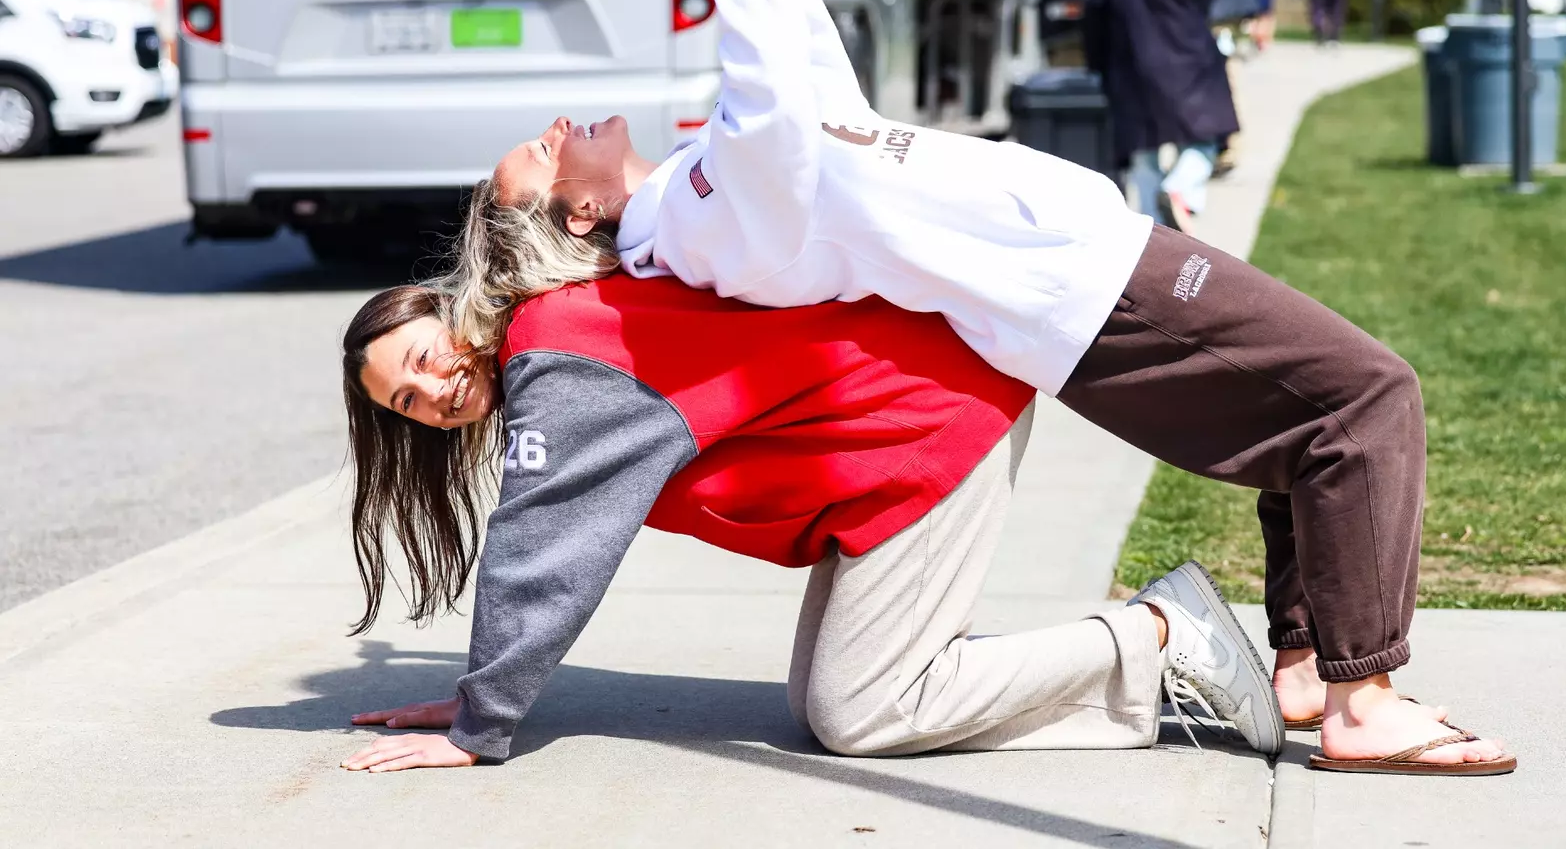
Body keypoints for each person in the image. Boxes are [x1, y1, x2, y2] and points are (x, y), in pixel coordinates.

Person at [455, 0, 1514, 776]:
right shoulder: (705, 223)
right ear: (577, 219)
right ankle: (1362, 698)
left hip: (1085, 272)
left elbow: (810, 61)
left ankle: (1304, 668)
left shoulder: (695, 183)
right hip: (1093, 287)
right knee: (1369, 399)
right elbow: (772, 93)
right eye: (538, 161)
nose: (554, 129)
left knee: (1300, 418)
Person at [337, 282, 1280, 771]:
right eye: (409, 406)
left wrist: (478, 725)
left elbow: (541, 555)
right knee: (820, 707)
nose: (435, 394)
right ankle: (1160, 677)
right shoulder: (547, 344)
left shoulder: (557, 368)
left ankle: (1155, 636)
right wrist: (476, 696)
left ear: (454, 315)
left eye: (424, 360)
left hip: (918, 423)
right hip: (887, 440)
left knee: (863, 713)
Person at [1083, 0, 1241, 234]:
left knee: (1143, 156)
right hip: (1191, 65)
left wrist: (1098, 67)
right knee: (1206, 139)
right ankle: (1181, 190)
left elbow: (1095, 16)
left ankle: (1154, 238)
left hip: (1132, 69)